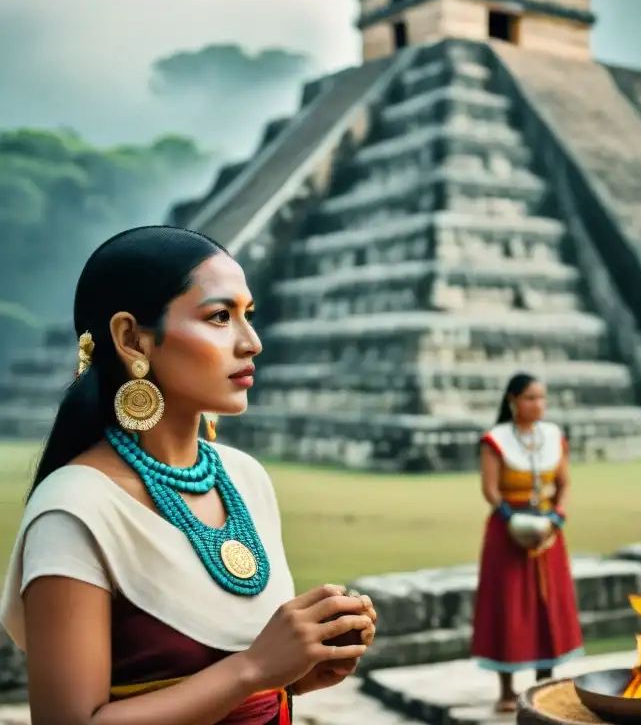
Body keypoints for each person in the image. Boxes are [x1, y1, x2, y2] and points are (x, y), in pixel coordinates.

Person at [0, 226, 377, 725]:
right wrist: (254, 669)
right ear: (132, 338)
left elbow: (216, 680)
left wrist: (296, 672)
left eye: (249, 316)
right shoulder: (75, 510)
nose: (253, 343)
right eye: (220, 317)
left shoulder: (245, 479)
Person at [470, 373, 584, 712]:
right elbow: (490, 489)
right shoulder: (496, 440)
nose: (539, 405)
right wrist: (512, 519)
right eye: (531, 398)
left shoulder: (553, 436)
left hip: (548, 533)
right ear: (512, 401)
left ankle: (542, 684)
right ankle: (506, 690)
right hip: (508, 532)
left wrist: (556, 517)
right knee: (506, 603)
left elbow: (563, 483)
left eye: (542, 398)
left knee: (546, 602)